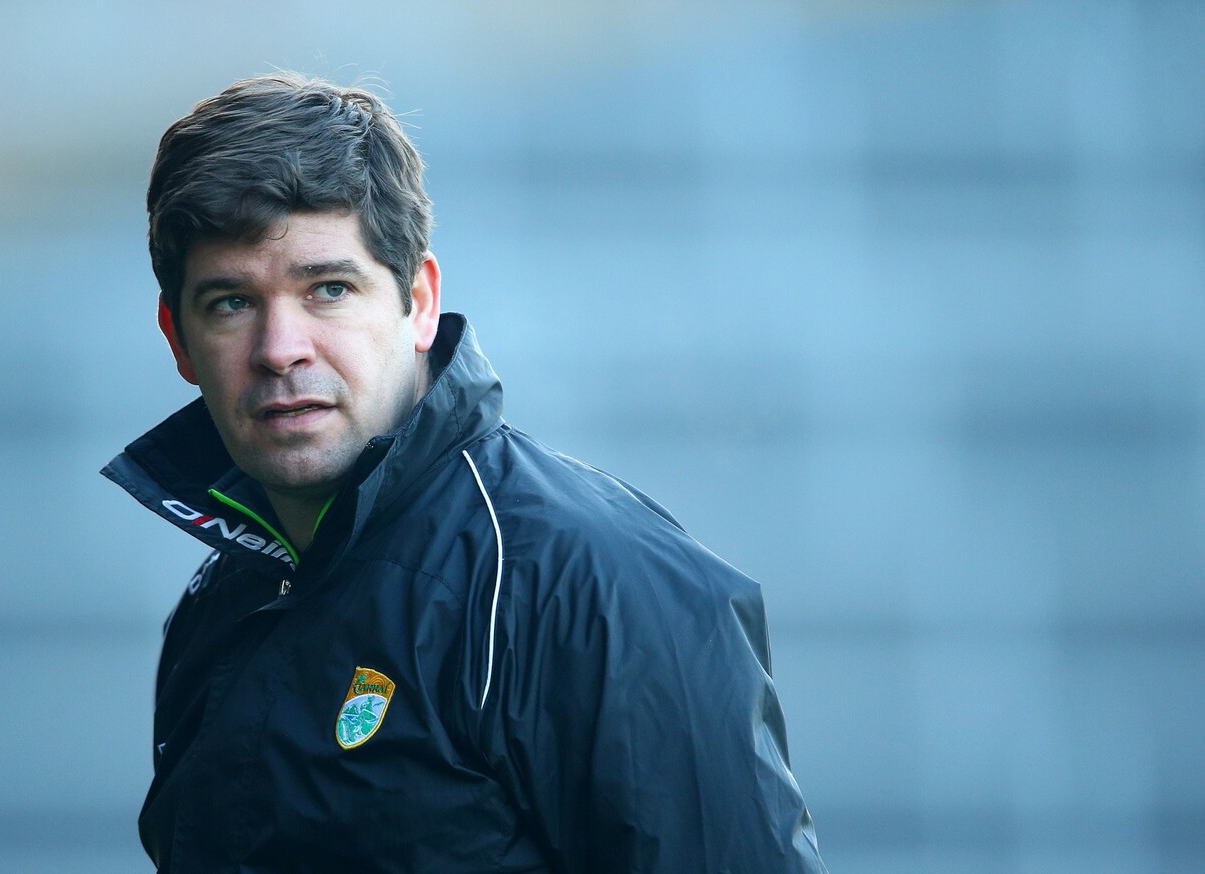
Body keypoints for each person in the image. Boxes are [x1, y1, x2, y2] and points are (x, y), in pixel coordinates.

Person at [102, 72, 827, 873]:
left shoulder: (595, 584)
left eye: (329, 289)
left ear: (418, 301)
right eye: (231, 303)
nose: (280, 350)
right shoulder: (220, 608)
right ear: (178, 339)